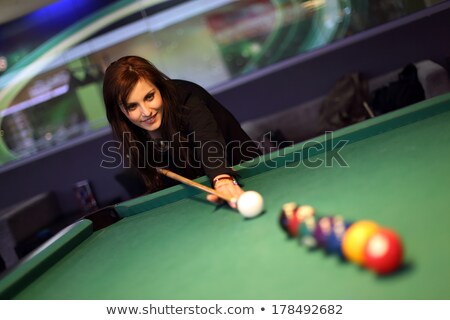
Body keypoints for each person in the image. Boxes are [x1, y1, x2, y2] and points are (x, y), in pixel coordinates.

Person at [102, 55, 261, 208]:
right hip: (198, 194)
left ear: (160, 87)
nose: (146, 112)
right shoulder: (128, 128)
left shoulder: (186, 97)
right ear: (120, 110)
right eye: (132, 106)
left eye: (149, 97)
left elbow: (206, 138)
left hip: (244, 169)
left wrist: (222, 179)